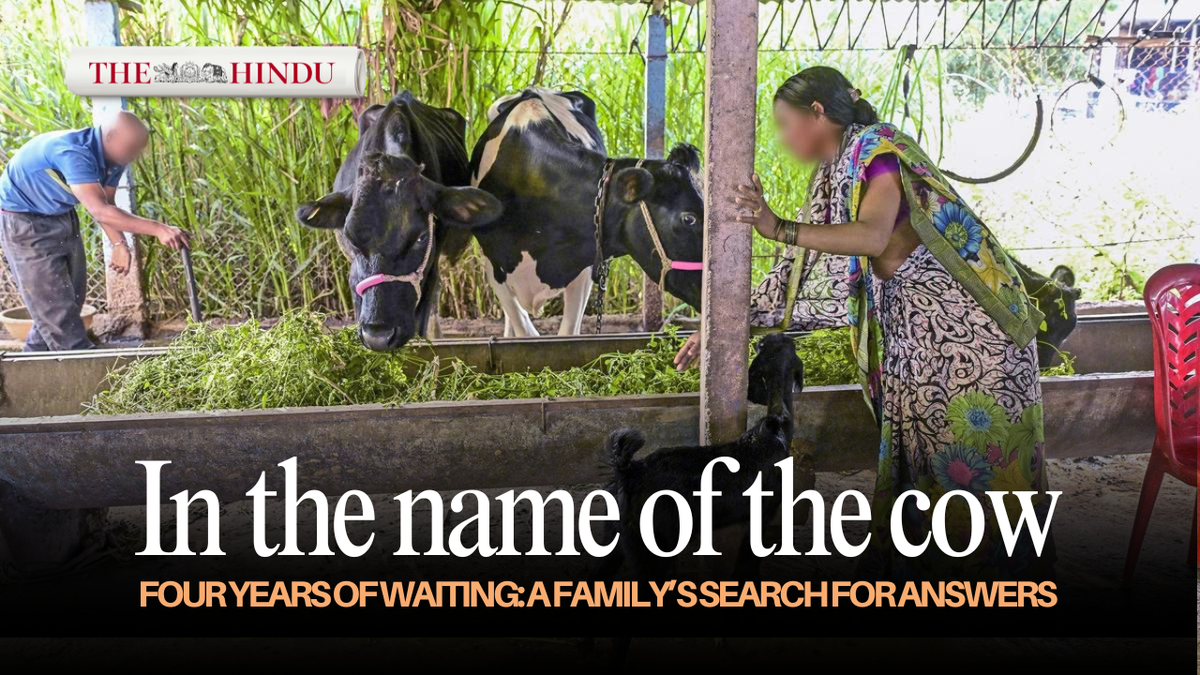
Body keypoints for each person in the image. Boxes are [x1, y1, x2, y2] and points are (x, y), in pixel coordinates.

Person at [677, 66, 1054, 579]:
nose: (783, 138)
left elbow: (872, 236)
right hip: (920, 341)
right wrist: (725, 325)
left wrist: (778, 226)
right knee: (932, 462)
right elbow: (797, 273)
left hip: (970, 337)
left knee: (976, 460)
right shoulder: (833, 172)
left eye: (786, 124)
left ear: (817, 113)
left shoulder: (878, 151)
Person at [0, 111, 189, 351]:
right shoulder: (73, 153)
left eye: (138, 150)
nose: (135, 156)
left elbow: (107, 203)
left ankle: (32, 362)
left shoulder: (115, 157)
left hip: (61, 214)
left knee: (68, 301)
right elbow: (100, 211)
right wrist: (159, 229)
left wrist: (119, 244)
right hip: (23, 221)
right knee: (56, 310)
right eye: (132, 148)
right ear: (110, 137)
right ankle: (88, 367)